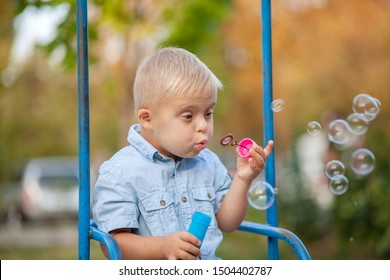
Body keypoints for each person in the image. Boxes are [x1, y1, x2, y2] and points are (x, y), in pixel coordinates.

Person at [92, 47, 273, 260]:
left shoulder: (209, 163)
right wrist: (162, 247)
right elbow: (112, 244)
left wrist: (243, 179)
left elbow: (227, 223)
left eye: (208, 113)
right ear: (148, 119)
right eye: (188, 116)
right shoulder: (120, 173)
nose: (203, 125)